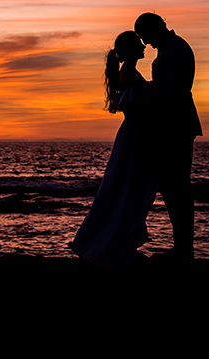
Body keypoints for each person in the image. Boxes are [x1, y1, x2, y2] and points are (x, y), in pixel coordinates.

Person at [69, 31, 158, 267]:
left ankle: (120, 245)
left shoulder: (130, 73)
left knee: (130, 190)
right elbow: (142, 108)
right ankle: (116, 247)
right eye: (139, 44)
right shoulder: (128, 75)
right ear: (129, 49)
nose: (143, 46)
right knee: (129, 190)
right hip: (136, 136)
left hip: (136, 134)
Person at [133, 12, 202, 261]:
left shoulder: (174, 48)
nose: (144, 42)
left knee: (177, 187)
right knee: (173, 186)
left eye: (144, 36)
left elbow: (172, 91)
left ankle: (184, 249)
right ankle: (182, 246)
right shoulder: (168, 48)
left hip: (175, 125)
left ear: (157, 27)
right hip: (173, 123)